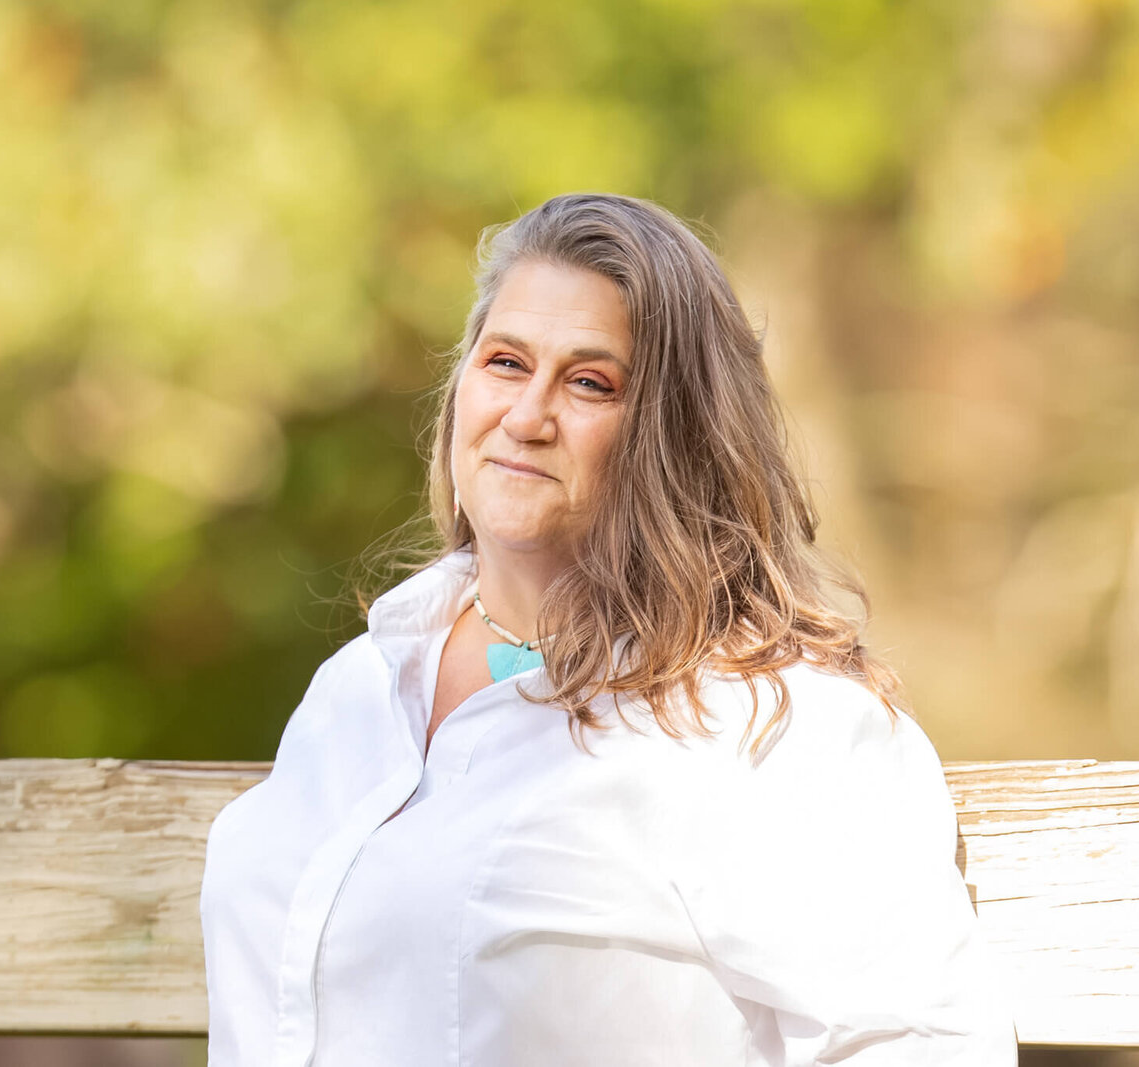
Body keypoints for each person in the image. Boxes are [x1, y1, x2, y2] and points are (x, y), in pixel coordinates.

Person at [198, 193, 1017, 1065]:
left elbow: (921, 1045)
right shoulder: (365, 682)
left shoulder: (759, 725)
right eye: (506, 362)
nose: (526, 415)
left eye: (590, 382)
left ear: (673, 436)